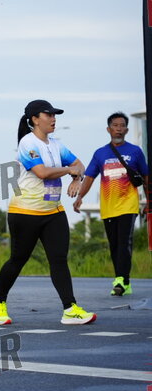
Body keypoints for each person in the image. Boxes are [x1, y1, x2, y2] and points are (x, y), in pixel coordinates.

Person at [0, 100, 96, 326]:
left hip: (53, 211)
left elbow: (80, 165)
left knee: (59, 259)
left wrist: (77, 178)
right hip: (25, 211)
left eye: (55, 115)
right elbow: (42, 172)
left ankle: (70, 309)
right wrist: (70, 170)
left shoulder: (57, 144)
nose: (54, 119)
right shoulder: (27, 143)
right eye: (49, 115)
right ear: (35, 119)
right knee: (18, 259)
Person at [73, 112, 148, 296]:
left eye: (122, 126)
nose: (119, 129)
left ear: (127, 130)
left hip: (128, 204)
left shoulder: (135, 151)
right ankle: (123, 280)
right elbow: (89, 177)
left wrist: (149, 201)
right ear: (109, 129)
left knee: (124, 242)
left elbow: (146, 178)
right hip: (108, 206)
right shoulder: (100, 153)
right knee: (114, 245)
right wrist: (80, 196)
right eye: (115, 125)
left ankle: (121, 280)